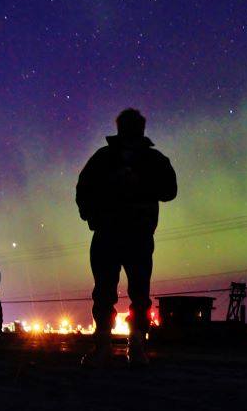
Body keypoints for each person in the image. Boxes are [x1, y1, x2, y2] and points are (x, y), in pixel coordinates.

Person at [75, 108, 177, 367]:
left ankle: (125, 346)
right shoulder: (109, 158)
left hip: (130, 235)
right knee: (115, 294)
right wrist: (92, 217)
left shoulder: (148, 160)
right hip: (116, 234)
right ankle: (118, 347)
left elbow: (169, 190)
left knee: (127, 294)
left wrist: (138, 183)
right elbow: (84, 189)